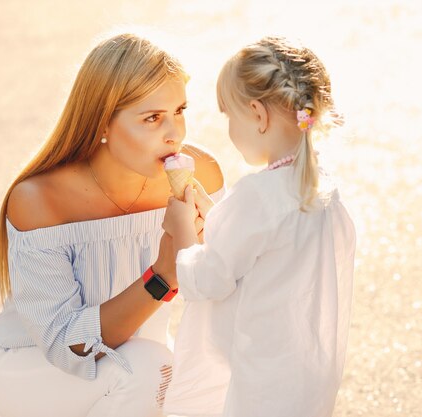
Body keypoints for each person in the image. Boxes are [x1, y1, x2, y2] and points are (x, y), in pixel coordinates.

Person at [0, 33, 224, 417]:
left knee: (209, 371)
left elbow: (225, 299)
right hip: (37, 367)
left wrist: (217, 252)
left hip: (139, 360)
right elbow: (66, 344)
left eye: (179, 110)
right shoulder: (40, 200)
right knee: (146, 367)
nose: (176, 133)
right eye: (152, 118)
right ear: (102, 122)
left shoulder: (201, 174)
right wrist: (162, 277)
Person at [161, 37, 356, 417]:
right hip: (306, 375)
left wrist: (183, 228)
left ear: (257, 114)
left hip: (259, 382)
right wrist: (217, 216)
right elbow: (268, 254)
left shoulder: (257, 195)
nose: (230, 128)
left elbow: (207, 281)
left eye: (229, 116)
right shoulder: (324, 192)